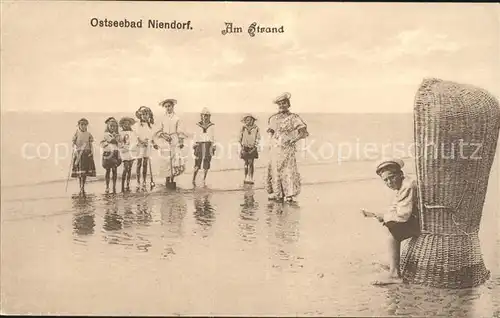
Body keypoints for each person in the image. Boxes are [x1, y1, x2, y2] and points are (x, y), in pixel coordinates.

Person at [360, 158, 420, 285]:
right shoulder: (404, 184)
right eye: (385, 180)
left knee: (392, 232)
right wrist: (383, 216)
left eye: (392, 177)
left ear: (400, 174)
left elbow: (403, 215)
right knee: (390, 225)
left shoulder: (407, 186)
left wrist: (386, 218)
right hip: (419, 218)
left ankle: (394, 274)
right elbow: (396, 207)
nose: (389, 182)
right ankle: (393, 265)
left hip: (422, 223)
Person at [266, 92, 309, 202]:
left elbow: (303, 133)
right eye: (280, 104)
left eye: (284, 103)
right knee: (275, 170)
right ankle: (278, 193)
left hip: (287, 148)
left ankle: (289, 194)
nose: (282, 106)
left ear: (288, 104)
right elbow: (271, 132)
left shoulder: (293, 118)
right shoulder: (273, 118)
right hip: (275, 149)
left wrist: (293, 140)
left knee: (288, 170)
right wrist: (270, 144)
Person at [155, 98, 187, 187]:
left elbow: (180, 131)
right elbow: (158, 131)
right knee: (166, 161)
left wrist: (180, 141)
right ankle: (167, 180)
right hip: (165, 140)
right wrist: (164, 136)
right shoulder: (162, 118)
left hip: (174, 140)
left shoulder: (177, 118)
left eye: (169, 106)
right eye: (166, 107)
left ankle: (172, 180)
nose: (168, 108)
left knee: (174, 160)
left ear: (173, 106)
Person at [134, 106, 159, 190]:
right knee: (139, 163)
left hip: (148, 146)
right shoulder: (137, 125)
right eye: (143, 114)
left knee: (145, 164)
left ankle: (144, 180)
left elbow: (152, 137)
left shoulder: (150, 126)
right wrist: (141, 142)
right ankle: (138, 181)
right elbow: (136, 136)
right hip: (140, 146)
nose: (145, 116)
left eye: (146, 114)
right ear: (140, 115)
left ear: (149, 115)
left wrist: (154, 143)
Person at [71, 118, 96, 194]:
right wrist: (75, 150)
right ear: (79, 125)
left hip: (87, 153)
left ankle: (83, 186)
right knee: (80, 172)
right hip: (79, 154)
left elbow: (91, 144)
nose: (83, 126)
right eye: (82, 124)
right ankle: (81, 186)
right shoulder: (76, 133)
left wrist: (92, 152)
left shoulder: (88, 134)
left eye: (85, 125)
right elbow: (73, 144)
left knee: (85, 172)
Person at [192, 107, 216, 186]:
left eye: (207, 116)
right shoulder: (198, 125)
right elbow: (195, 136)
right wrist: (194, 145)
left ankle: (203, 179)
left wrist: (213, 146)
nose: (205, 117)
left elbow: (213, 137)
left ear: (209, 116)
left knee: (207, 161)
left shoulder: (211, 126)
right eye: (204, 115)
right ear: (201, 116)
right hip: (199, 144)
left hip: (208, 144)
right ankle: (194, 178)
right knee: (197, 161)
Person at [100, 117, 122, 194]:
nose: (113, 128)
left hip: (115, 152)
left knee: (114, 170)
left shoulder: (117, 135)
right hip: (108, 153)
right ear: (108, 126)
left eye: (114, 126)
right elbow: (104, 143)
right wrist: (111, 141)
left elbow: (120, 144)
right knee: (108, 170)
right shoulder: (106, 134)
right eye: (111, 126)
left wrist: (117, 141)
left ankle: (114, 186)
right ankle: (107, 186)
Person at [239, 113, 261, 184]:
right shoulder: (243, 128)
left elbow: (258, 138)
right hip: (244, 147)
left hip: (252, 147)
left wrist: (255, 146)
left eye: (251, 120)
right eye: (247, 120)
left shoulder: (256, 128)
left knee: (251, 163)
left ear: (253, 120)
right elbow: (240, 137)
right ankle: (245, 177)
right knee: (246, 163)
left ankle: (251, 178)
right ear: (245, 121)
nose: (249, 121)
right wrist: (241, 146)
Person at [118, 116, 137, 192]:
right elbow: (119, 143)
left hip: (131, 152)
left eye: (128, 124)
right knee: (125, 168)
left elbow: (134, 142)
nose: (126, 125)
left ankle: (127, 184)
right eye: (125, 124)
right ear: (122, 125)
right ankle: (122, 185)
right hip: (124, 152)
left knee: (130, 169)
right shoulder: (121, 133)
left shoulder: (132, 133)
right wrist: (123, 148)